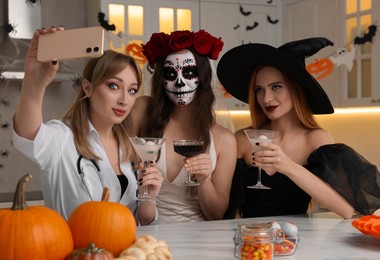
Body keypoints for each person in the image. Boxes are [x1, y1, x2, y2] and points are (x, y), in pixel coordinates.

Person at [217, 38, 380, 219]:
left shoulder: (315, 139)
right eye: (259, 89)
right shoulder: (243, 139)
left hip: (298, 238)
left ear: (296, 89)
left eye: (276, 87)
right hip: (253, 239)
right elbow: (231, 210)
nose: (266, 98)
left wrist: (287, 166)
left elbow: (345, 210)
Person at [12, 27, 163, 225]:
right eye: (113, 86)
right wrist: (34, 84)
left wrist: (148, 197)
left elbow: (141, 222)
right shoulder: (63, 138)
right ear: (88, 87)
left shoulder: (130, 147)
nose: (125, 100)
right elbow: (28, 134)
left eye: (132, 90)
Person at [130, 29, 237, 223]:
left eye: (189, 72)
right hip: (148, 235)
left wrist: (204, 180)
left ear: (202, 77)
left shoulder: (225, 140)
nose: (180, 83)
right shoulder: (143, 111)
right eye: (170, 73)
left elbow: (217, 214)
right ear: (161, 79)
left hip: (201, 242)